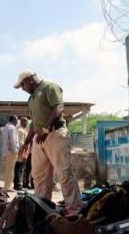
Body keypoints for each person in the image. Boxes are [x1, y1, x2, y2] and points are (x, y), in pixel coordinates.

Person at [14, 69, 83, 216]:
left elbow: (58, 109)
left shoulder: (50, 87)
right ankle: (42, 209)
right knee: (40, 176)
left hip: (55, 134)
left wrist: (45, 130)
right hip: (40, 138)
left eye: (22, 85)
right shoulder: (31, 99)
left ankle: (75, 211)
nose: (22, 89)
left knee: (64, 173)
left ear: (29, 80)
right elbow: (33, 124)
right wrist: (26, 142)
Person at [1, 115, 19, 191]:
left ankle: (6, 186)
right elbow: (13, 140)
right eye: (17, 120)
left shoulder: (5, 127)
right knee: (10, 170)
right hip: (11, 152)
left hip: (6, 151)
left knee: (8, 170)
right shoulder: (12, 128)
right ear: (13, 120)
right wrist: (15, 151)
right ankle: (7, 187)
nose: (17, 122)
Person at [13, 116, 29, 190]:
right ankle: (18, 185)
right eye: (26, 122)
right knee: (19, 168)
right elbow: (21, 142)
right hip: (21, 152)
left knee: (18, 168)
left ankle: (17, 184)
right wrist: (23, 153)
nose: (27, 123)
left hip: (21, 151)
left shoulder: (20, 129)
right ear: (22, 122)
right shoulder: (20, 130)